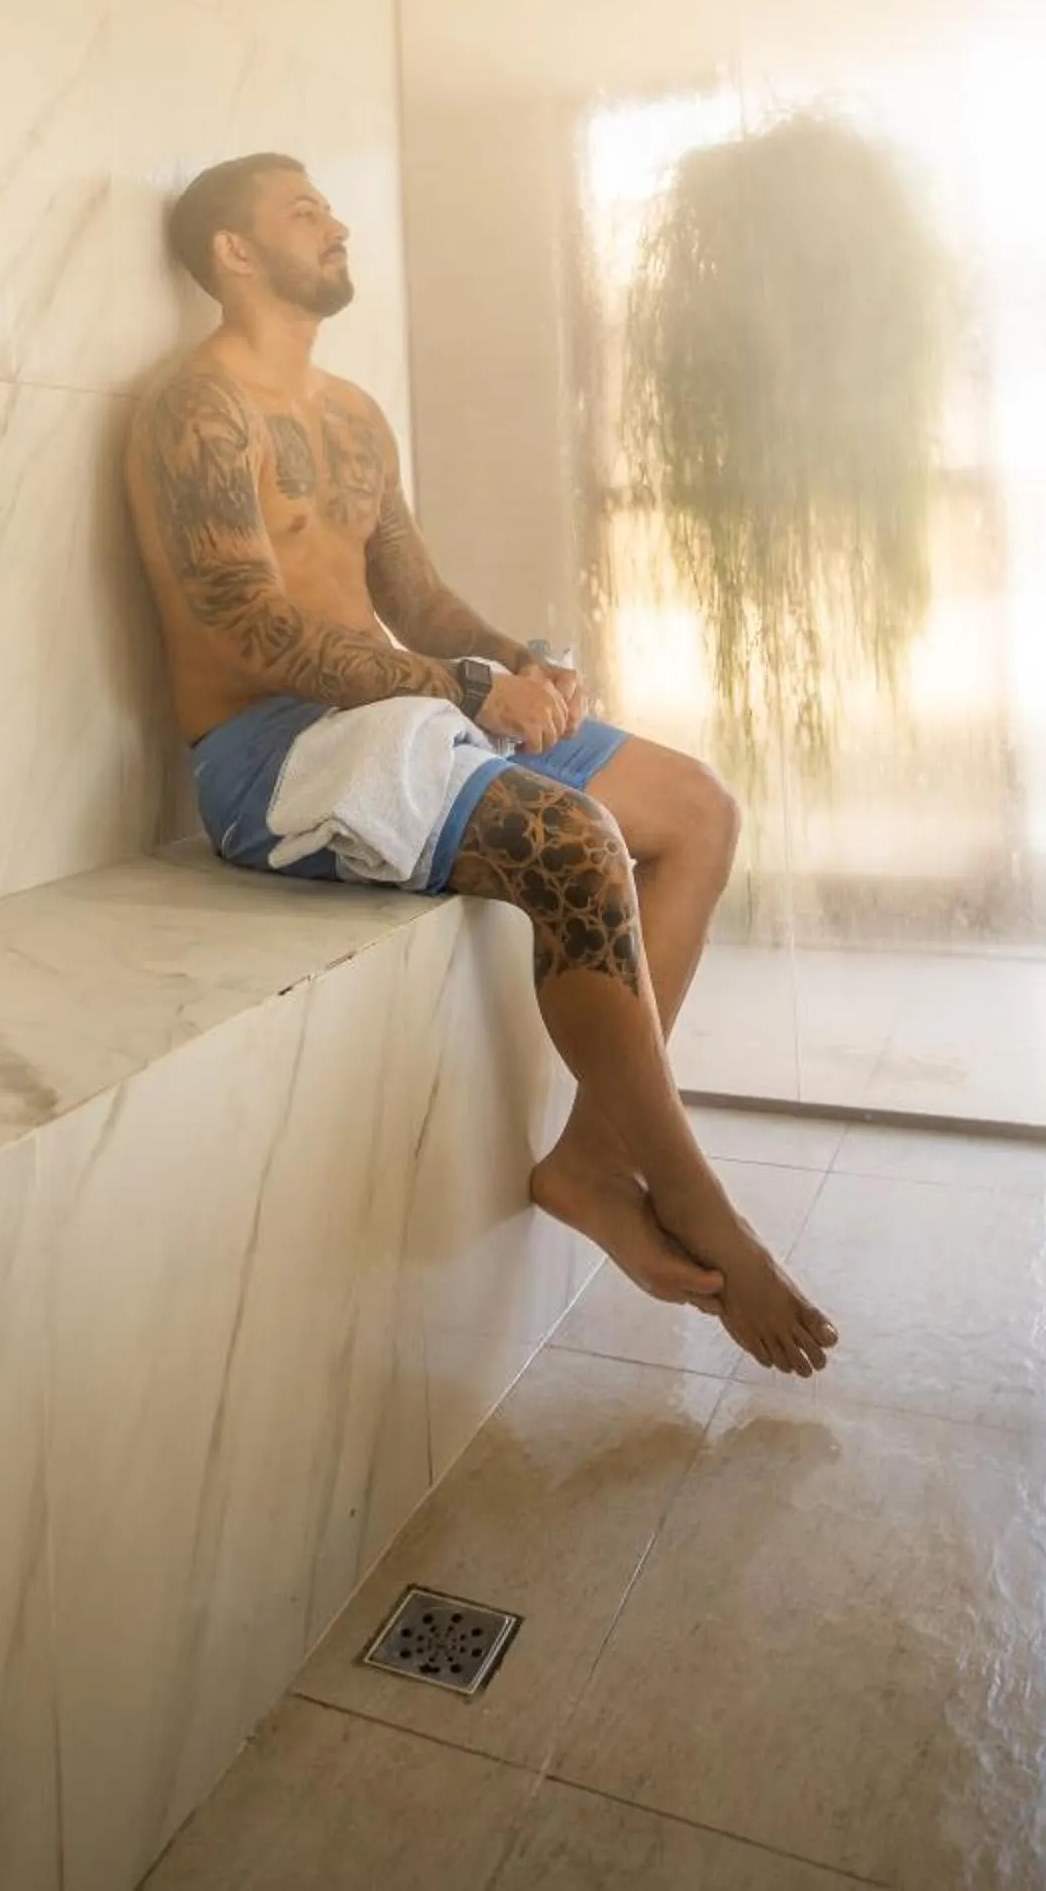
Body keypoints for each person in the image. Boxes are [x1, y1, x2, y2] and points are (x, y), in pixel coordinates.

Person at [125, 152, 837, 1379]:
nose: (334, 223)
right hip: (272, 760)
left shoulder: (351, 416)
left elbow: (409, 596)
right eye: (303, 212)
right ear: (232, 253)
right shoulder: (195, 409)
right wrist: (465, 691)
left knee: (695, 812)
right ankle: (692, 1194)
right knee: (576, 844)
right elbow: (251, 625)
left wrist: (520, 662)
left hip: (394, 721)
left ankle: (590, 1160)